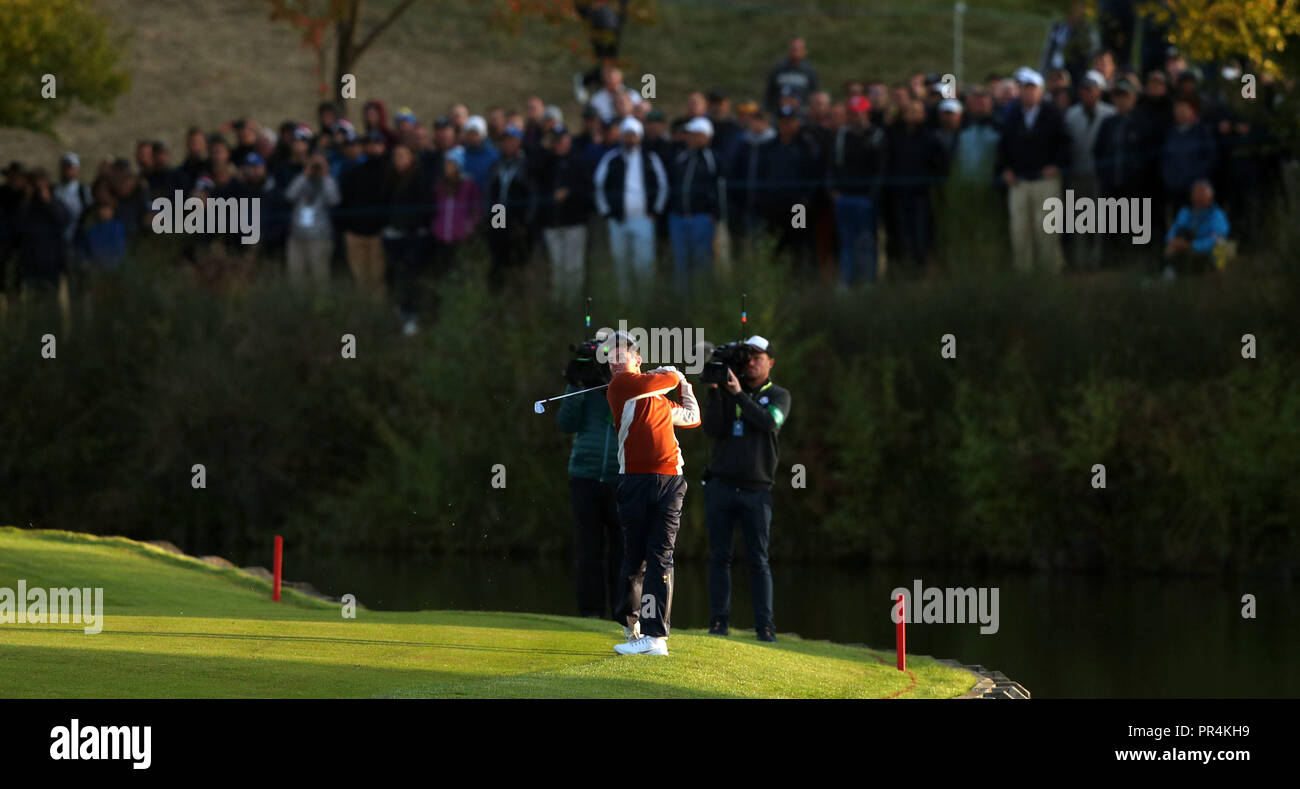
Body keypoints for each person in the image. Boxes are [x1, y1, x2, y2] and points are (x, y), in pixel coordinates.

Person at [603, 331, 701, 656]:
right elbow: (667, 378)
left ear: (637, 358)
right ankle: (631, 626)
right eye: (610, 357)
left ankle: (655, 637)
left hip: (671, 481)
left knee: (661, 556)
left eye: (621, 355)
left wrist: (684, 383)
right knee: (635, 558)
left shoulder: (658, 399)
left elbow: (692, 415)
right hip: (634, 480)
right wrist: (673, 373)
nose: (615, 362)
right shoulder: (620, 388)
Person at [700, 335, 790, 642]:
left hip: (757, 490)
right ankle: (718, 624)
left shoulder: (779, 394)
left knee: (758, 559)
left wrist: (738, 394)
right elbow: (712, 429)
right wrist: (715, 391)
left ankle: (765, 627)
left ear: (770, 362)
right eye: (747, 357)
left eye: (757, 358)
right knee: (719, 557)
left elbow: (769, 422)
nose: (751, 363)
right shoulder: (726, 392)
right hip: (721, 485)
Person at [556, 331, 622, 620]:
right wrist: (575, 383)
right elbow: (566, 423)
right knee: (588, 551)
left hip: (621, 478)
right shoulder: (584, 385)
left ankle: (622, 612)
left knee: (622, 551)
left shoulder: (630, 387)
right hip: (584, 475)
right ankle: (591, 613)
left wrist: (610, 386)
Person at [997, 68, 1069, 273]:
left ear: (1040, 91)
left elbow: (1064, 143)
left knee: (1047, 228)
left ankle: (1050, 272)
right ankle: (1024, 273)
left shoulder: (1052, 113)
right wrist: (1005, 168)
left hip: (1045, 181)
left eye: (1031, 88)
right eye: (1023, 88)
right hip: (1019, 181)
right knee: (1019, 229)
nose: (1027, 92)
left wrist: (1056, 164)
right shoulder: (1013, 115)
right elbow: (1004, 145)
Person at [593, 117, 668, 298]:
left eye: (633, 135)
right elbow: (599, 186)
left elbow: (662, 185)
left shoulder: (650, 158)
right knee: (621, 264)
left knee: (644, 265)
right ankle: (624, 305)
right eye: (626, 135)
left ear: (639, 137)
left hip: (643, 219)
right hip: (618, 220)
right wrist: (607, 213)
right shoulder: (612, 158)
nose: (630, 139)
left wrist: (655, 211)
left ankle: (645, 304)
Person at [827, 95, 888, 286]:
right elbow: (832, 166)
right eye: (852, 113)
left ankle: (868, 282)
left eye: (859, 113)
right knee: (846, 242)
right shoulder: (840, 136)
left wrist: (872, 195)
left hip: (866, 199)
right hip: (844, 197)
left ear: (866, 113)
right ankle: (846, 280)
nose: (855, 117)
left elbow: (881, 169)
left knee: (867, 241)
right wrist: (833, 191)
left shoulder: (878, 136)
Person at [667, 116, 724, 292]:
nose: (689, 138)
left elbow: (720, 191)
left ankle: (702, 305)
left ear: (705, 136)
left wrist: (716, 217)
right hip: (678, 218)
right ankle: (682, 308)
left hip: (702, 218)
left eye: (694, 134)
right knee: (681, 265)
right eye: (689, 134)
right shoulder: (681, 157)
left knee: (702, 264)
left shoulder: (712, 159)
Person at [538, 127, 592, 303]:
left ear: (569, 140)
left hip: (574, 222)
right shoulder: (546, 162)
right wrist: (545, 151)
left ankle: (573, 304)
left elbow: (587, 190)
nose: (560, 144)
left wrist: (569, 193)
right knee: (557, 268)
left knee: (573, 268)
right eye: (556, 140)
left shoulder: (578, 161)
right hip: (552, 223)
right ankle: (558, 306)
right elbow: (533, 176)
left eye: (562, 140)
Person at [483, 125, 537, 289]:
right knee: (499, 259)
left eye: (512, 140)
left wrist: (526, 221)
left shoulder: (527, 164)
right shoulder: (497, 165)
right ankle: (499, 302)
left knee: (520, 260)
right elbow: (490, 192)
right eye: (505, 141)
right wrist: (491, 219)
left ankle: (522, 300)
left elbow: (532, 194)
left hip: (518, 219)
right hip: (498, 217)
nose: (508, 144)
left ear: (519, 142)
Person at [284, 152, 342, 288]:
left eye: (319, 164)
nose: (316, 167)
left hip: (320, 238)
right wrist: (304, 175)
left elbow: (334, 200)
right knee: (296, 277)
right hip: (297, 237)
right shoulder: (301, 179)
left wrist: (325, 175)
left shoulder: (329, 181)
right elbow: (289, 195)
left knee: (320, 277)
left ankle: (321, 307)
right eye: (313, 164)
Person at [1163, 178, 1230, 276]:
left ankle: (1217, 275)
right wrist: (1172, 240)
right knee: (1173, 243)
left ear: (1210, 197)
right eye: (1196, 193)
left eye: (1202, 194)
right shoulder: (1185, 212)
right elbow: (1173, 230)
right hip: (1187, 249)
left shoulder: (1217, 216)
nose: (1198, 197)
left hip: (1205, 252)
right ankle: (1171, 272)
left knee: (1221, 245)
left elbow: (1216, 240)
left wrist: (1191, 245)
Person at [765, 37, 819, 115]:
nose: (795, 52)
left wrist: (800, 104)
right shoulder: (778, 69)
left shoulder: (809, 71)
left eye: (797, 49)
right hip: (779, 113)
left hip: (802, 115)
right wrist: (778, 102)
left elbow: (814, 93)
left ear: (804, 51)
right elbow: (769, 93)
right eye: (792, 49)